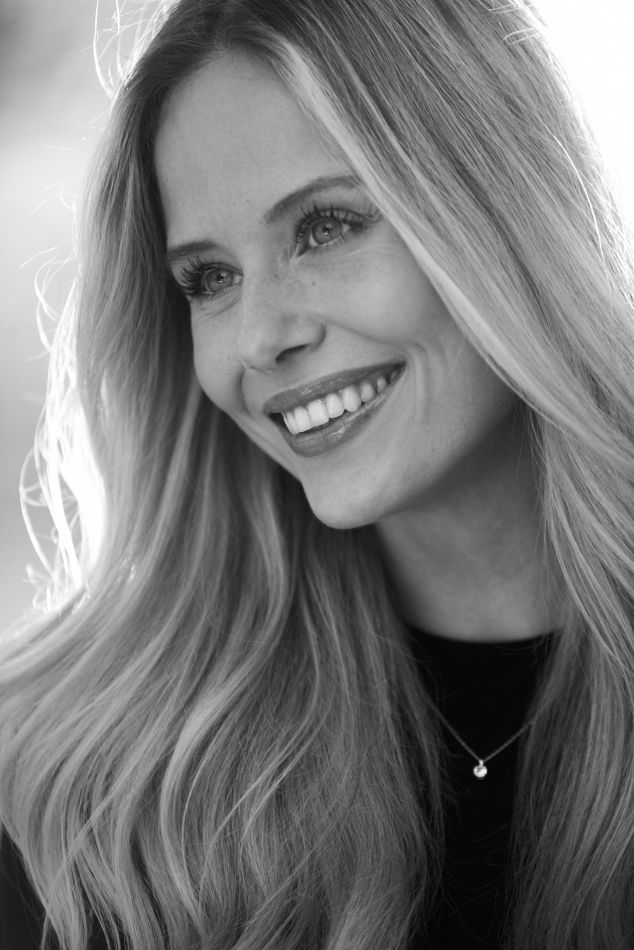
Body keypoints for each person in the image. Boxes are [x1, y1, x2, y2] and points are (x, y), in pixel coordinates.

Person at [1, 0, 633, 947]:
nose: (260, 338)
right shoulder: (86, 798)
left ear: (502, 209)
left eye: (326, 226)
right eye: (210, 278)